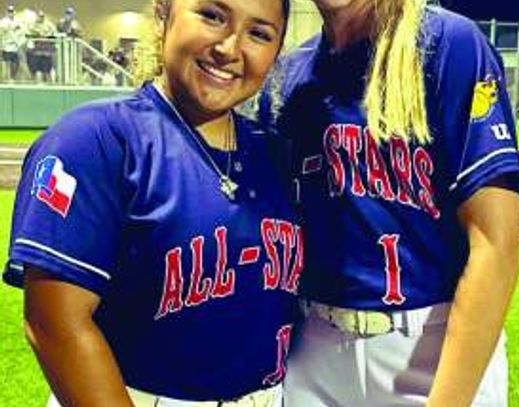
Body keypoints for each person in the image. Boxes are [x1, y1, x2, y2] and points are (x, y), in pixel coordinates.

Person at [3, 0, 301, 406]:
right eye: (212, 16)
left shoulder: (275, 153)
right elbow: (54, 324)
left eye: (259, 34)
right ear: (164, 12)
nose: (229, 48)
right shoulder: (93, 139)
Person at [256, 0, 519, 405]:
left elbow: (496, 245)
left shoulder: (448, 44)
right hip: (314, 350)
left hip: (430, 347)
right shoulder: (289, 75)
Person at [26, 10, 57, 82]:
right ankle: (37, 84)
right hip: (37, 52)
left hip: (47, 53)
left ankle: (49, 85)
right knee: (37, 70)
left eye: (42, 16)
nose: (41, 18)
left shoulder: (49, 25)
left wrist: (46, 35)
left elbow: (54, 35)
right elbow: (28, 34)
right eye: (39, 16)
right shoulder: (32, 25)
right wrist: (37, 34)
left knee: (47, 70)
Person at [0, 4, 26, 81]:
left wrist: (20, 42)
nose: (11, 13)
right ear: (7, 12)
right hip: (6, 46)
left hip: (16, 46)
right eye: (9, 11)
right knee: (6, 63)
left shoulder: (18, 21)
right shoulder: (3, 22)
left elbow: (22, 31)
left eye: (12, 11)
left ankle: (12, 78)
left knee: (16, 63)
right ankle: (6, 78)